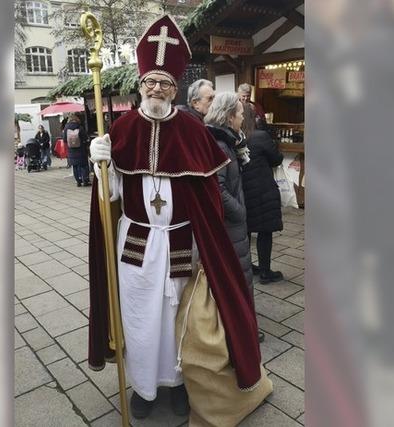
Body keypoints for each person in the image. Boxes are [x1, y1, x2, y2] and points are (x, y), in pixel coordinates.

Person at [87, 15, 266, 421]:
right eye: (150, 82)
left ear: (176, 88)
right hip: (135, 241)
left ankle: (179, 385)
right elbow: (111, 197)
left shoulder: (192, 128)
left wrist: (211, 246)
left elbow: (208, 199)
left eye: (165, 84)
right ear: (140, 84)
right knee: (139, 316)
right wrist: (105, 165)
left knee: (177, 318)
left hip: (182, 240)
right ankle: (145, 389)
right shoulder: (122, 128)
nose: (157, 89)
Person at [204, 93, 265, 343]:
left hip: (234, 226)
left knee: (241, 278)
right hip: (230, 226)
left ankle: (242, 328)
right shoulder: (220, 145)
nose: (242, 118)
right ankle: (239, 334)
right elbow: (217, 188)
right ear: (229, 117)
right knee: (237, 280)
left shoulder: (228, 141)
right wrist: (240, 212)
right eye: (240, 114)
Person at [240, 103, 285, 284]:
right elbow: (276, 159)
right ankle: (265, 271)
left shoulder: (235, 137)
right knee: (265, 231)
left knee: (247, 231)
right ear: (254, 118)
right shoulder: (261, 136)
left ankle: (249, 266)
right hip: (263, 190)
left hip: (243, 191)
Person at [63, 114, 90, 186]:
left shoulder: (66, 128)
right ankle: (85, 180)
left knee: (75, 166)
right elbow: (84, 138)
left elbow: (64, 139)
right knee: (83, 165)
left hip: (71, 151)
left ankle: (78, 181)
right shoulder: (80, 127)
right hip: (81, 150)